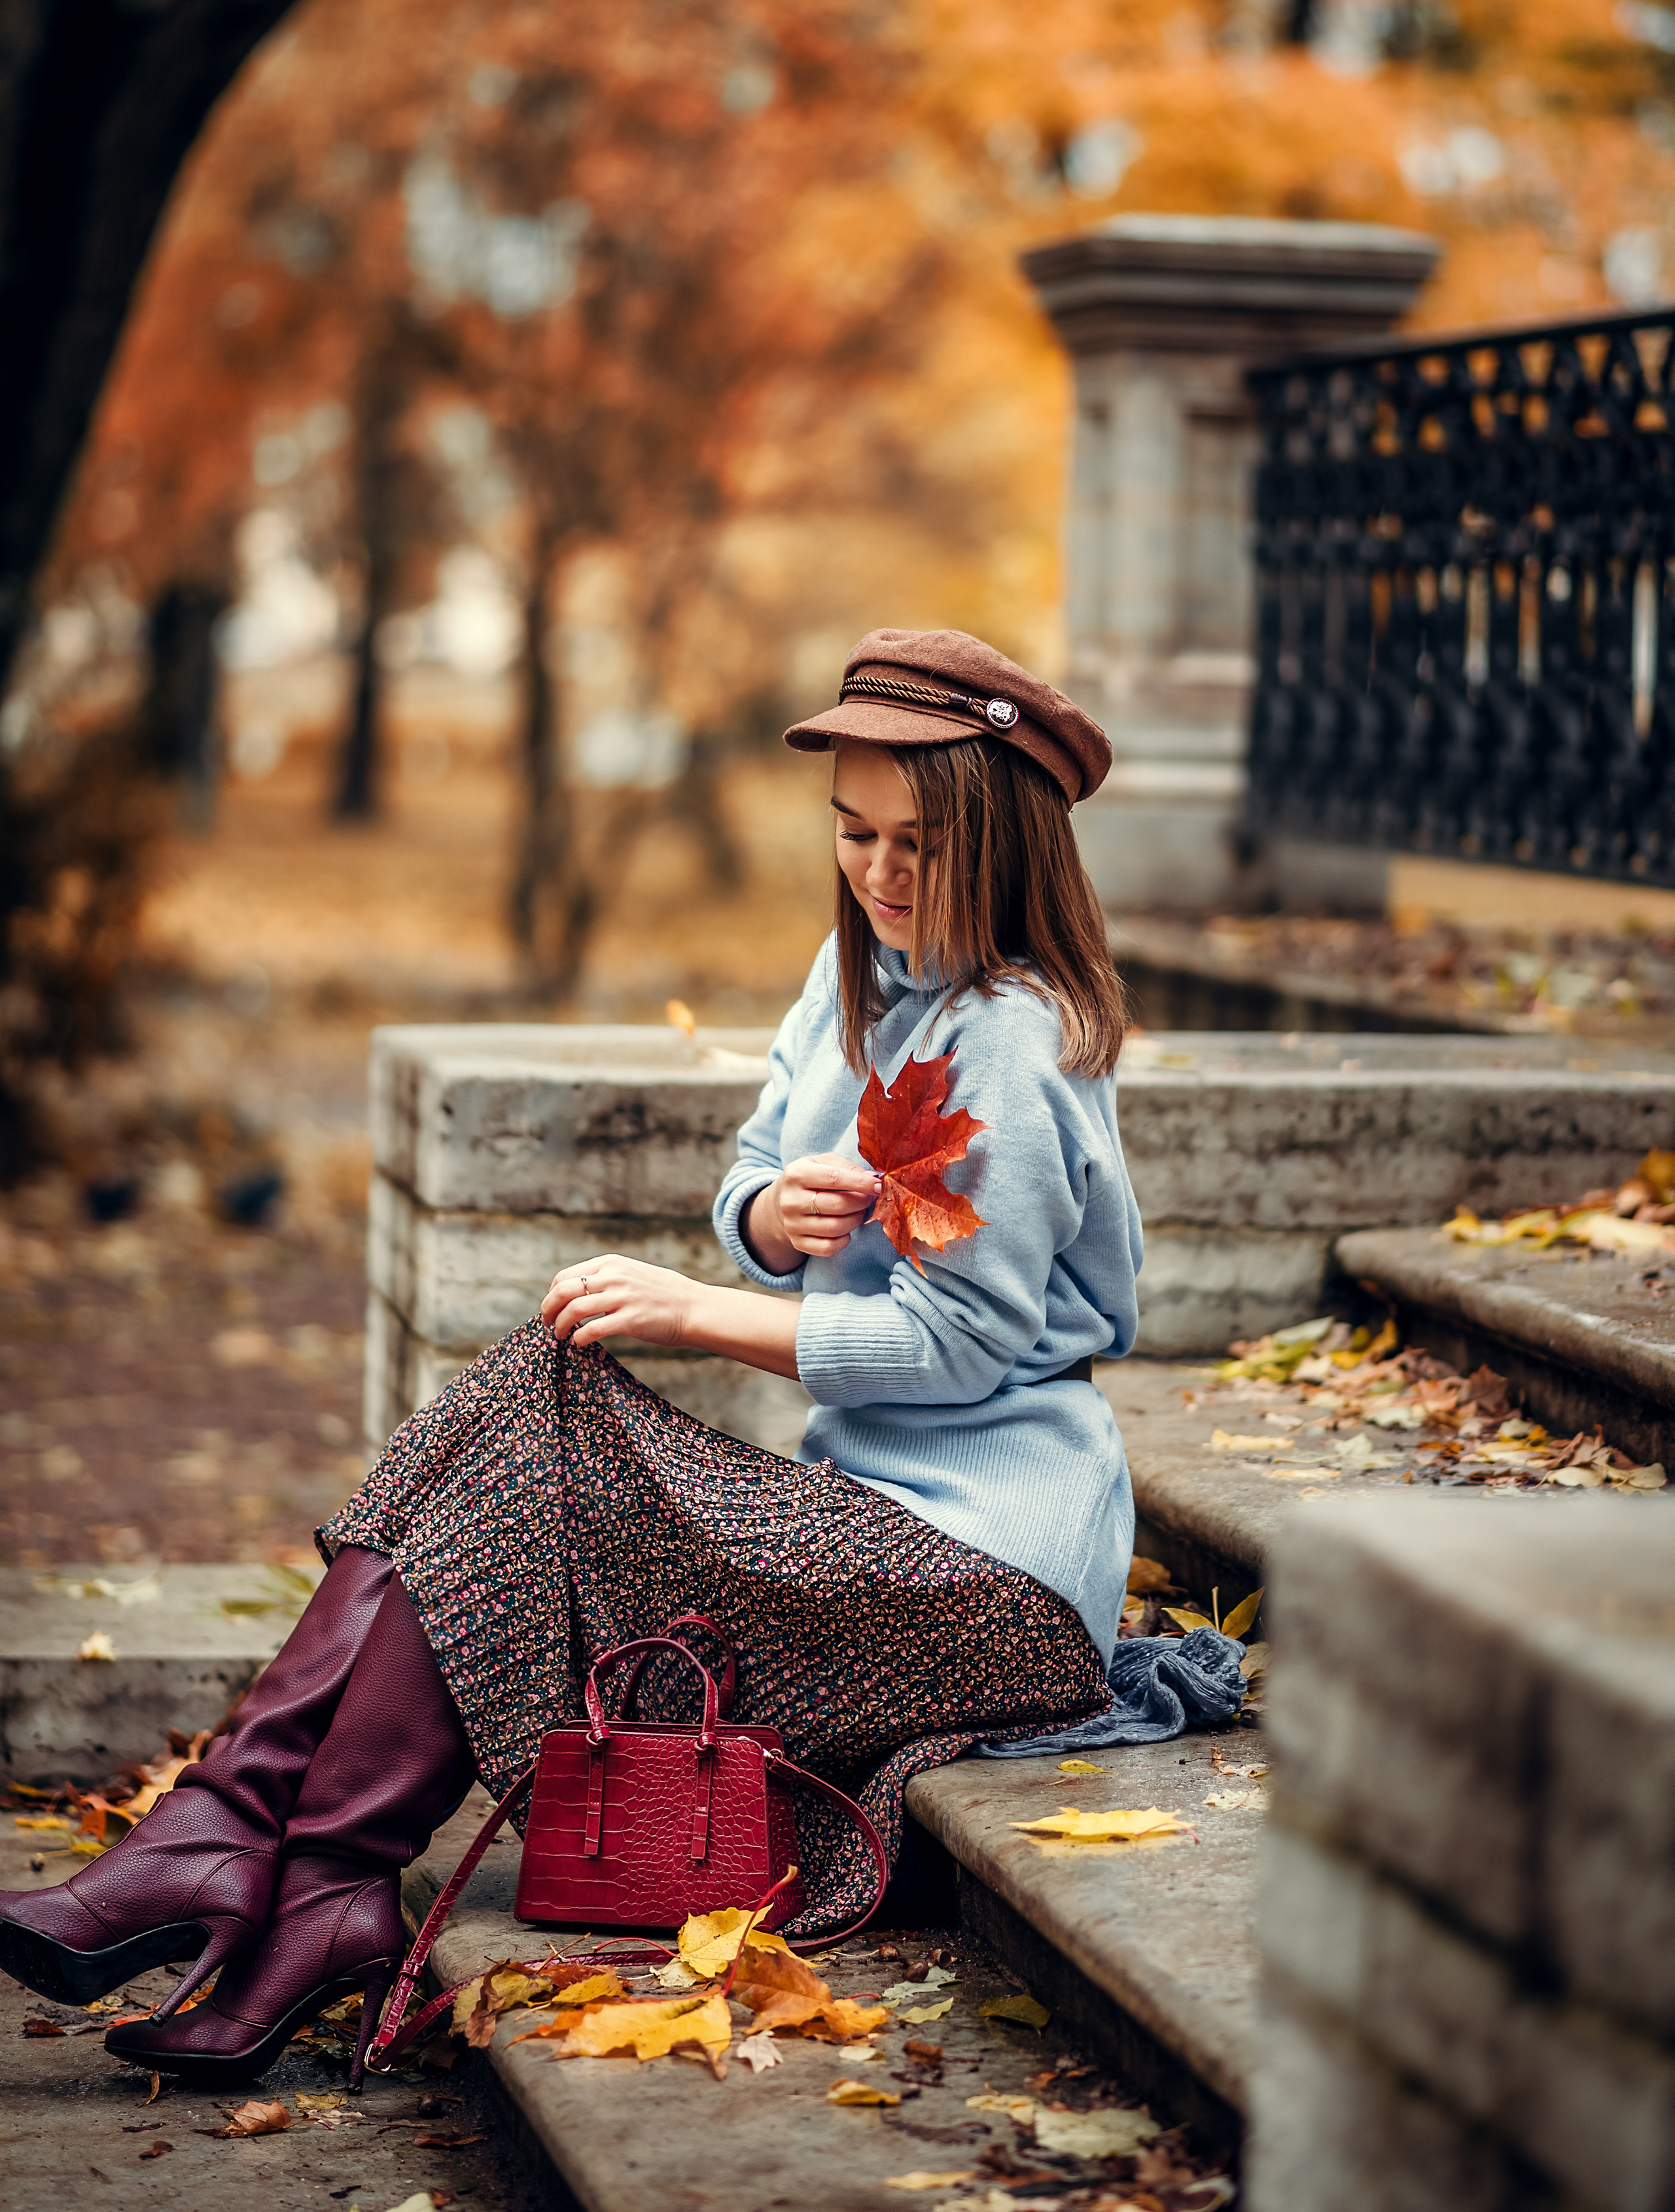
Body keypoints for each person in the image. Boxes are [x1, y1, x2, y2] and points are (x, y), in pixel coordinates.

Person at [1, 625, 1142, 2088]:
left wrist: (689, 1308)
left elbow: (963, 1341)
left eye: (918, 841)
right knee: (520, 1406)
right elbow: (747, 1167)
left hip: (990, 1572)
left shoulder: (1010, 1034)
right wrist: (765, 1222)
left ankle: (243, 1849)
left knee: (534, 1403)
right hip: (873, 1519)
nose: (878, 872)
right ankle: (295, 1873)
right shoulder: (859, 966)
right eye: (852, 833)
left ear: (1002, 836)